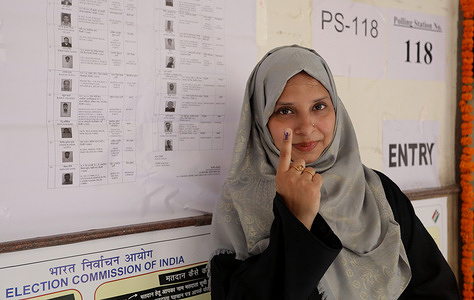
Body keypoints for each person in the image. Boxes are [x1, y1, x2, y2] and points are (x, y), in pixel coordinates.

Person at [208, 45, 460, 299]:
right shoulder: (238, 204)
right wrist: (297, 220)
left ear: (336, 110)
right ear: (261, 120)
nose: (306, 127)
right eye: (285, 111)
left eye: (319, 107)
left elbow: (438, 289)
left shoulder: (375, 190)